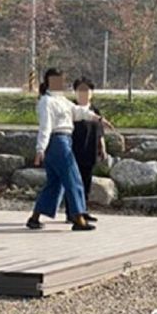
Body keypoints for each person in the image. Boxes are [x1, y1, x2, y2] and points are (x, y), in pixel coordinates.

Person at [26, 68, 114, 232]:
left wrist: (98, 119)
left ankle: (34, 218)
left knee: (55, 184)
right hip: (58, 142)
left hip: (64, 140)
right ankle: (78, 218)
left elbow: (78, 112)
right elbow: (45, 127)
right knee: (74, 179)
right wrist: (40, 149)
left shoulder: (62, 100)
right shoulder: (46, 102)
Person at [63, 76, 108, 223]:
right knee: (73, 183)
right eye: (80, 90)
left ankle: (83, 210)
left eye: (87, 90)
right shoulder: (71, 109)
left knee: (86, 182)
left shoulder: (95, 110)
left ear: (92, 92)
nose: (83, 93)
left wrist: (102, 146)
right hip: (74, 150)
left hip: (90, 150)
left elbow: (100, 131)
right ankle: (71, 212)